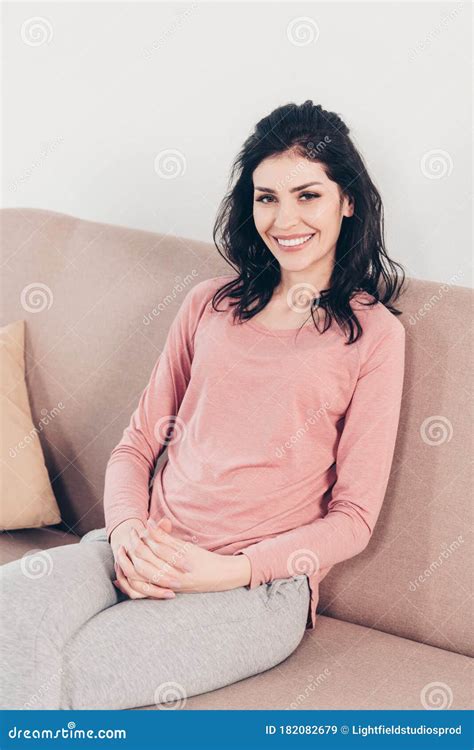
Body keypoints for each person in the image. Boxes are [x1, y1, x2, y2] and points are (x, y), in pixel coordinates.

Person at [0, 100, 406, 710]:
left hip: (253, 589)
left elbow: (353, 519)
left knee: (73, 676)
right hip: (136, 547)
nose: (284, 217)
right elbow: (138, 443)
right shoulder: (209, 304)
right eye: (265, 197)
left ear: (348, 200)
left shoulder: (374, 336)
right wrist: (130, 530)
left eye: (307, 195)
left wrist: (230, 571)